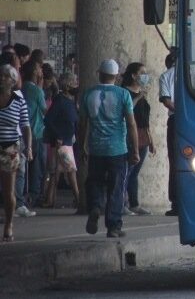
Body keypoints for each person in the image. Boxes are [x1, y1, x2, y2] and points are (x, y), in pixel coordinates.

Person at [79, 59, 139, 238]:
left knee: (94, 181)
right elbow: (131, 123)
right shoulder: (123, 95)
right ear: (116, 76)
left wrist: (82, 146)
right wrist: (135, 150)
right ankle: (113, 226)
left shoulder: (88, 94)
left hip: (96, 149)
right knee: (116, 187)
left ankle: (96, 207)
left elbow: (82, 124)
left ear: (100, 74)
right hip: (117, 150)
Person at [0, 64, 33, 241]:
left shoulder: (19, 101)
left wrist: (28, 147)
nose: (2, 78)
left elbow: (26, 126)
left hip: (10, 149)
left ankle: (9, 223)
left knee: (8, 191)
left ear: (13, 81)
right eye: (1, 75)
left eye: (6, 76)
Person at [42, 72, 80, 209]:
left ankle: (50, 199)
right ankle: (78, 198)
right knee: (71, 171)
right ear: (67, 84)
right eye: (74, 81)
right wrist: (58, 135)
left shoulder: (69, 101)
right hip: (62, 141)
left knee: (56, 173)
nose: (76, 84)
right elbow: (48, 119)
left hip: (67, 141)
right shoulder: (61, 101)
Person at [121, 62, 154, 215]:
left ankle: (134, 203)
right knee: (126, 171)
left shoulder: (142, 93)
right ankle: (122, 203)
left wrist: (151, 140)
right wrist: (140, 96)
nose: (145, 76)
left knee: (134, 173)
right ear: (133, 75)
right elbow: (127, 111)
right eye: (142, 72)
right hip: (129, 135)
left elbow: (145, 120)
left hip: (142, 136)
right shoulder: (125, 92)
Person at [21, 59, 47, 207]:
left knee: (24, 167)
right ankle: (34, 196)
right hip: (36, 132)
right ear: (34, 72)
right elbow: (44, 110)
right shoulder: (36, 91)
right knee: (36, 166)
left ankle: (24, 195)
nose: (41, 70)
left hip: (22, 131)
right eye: (39, 68)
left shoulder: (21, 88)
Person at [159, 50, 177, 216]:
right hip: (193, 119)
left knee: (174, 161)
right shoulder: (193, 74)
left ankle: (176, 204)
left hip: (175, 122)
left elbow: (166, 100)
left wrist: (179, 111)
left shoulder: (165, 76)